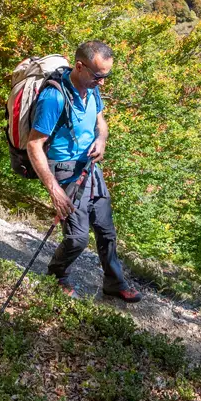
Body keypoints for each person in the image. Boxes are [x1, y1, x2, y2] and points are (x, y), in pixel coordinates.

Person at [26, 40, 142, 302]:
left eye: (106, 76)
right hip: (65, 172)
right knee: (78, 238)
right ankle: (56, 274)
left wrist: (101, 140)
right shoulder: (54, 97)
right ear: (80, 66)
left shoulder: (92, 90)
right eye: (99, 75)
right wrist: (54, 190)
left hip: (90, 167)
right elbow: (34, 145)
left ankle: (114, 282)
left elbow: (101, 123)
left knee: (106, 230)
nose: (102, 82)